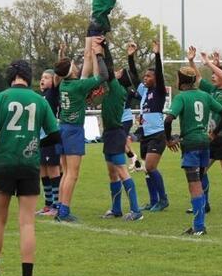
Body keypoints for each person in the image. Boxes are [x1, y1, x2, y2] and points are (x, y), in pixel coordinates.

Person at [0, 59, 61, 276]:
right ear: (28, 77)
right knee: (27, 222)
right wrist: (35, 143)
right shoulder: (39, 101)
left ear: (10, 77)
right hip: (30, 164)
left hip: (4, 162)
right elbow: (55, 136)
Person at [163, 66, 222, 237]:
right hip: (204, 144)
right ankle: (199, 225)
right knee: (199, 182)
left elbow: (168, 119)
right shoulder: (205, 95)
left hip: (191, 145)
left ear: (182, 80)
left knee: (194, 186)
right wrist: (213, 133)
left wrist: (169, 140)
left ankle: (199, 226)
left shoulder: (182, 97)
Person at [54, 37, 106, 222]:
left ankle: (60, 208)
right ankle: (64, 212)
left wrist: (90, 51)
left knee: (66, 172)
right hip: (74, 131)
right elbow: (101, 77)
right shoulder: (78, 85)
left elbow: (74, 69)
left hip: (63, 129)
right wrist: (98, 54)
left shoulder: (65, 84)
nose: (77, 66)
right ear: (70, 71)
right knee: (72, 174)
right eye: (74, 65)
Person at [189, 49, 222, 216]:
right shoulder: (212, 90)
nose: (212, 75)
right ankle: (205, 204)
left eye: (215, 74)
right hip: (210, 138)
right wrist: (191, 62)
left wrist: (210, 64)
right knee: (201, 170)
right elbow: (197, 79)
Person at [97, 50, 143, 221]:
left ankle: (136, 211)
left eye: (119, 72)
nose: (116, 71)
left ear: (121, 78)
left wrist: (101, 53)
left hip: (115, 134)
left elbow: (107, 69)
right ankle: (116, 209)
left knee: (123, 172)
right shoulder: (116, 88)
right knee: (112, 173)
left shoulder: (117, 88)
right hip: (109, 134)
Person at [66, 0, 118, 72]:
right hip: (93, 20)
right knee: (87, 53)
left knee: (95, 52)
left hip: (100, 20)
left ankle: (96, 79)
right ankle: (84, 80)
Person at [136, 41, 169, 211]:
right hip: (145, 135)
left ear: (155, 79)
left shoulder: (159, 91)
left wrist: (157, 54)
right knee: (146, 170)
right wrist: (129, 57)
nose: (145, 78)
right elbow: (134, 78)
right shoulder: (145, 92)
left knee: (150, 166)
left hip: (157, 134)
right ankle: (153, 201)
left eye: (148, 76)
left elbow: (160, 75)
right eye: (145, 77)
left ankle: (163, 200)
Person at [36, 68, 62, 217]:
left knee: (53, 169)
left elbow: (58, 77)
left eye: (46, 77)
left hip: (50, 136)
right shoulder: (43, 96)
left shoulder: (53, 93)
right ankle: (48, 204)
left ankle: (57, 205)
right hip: (41, 137)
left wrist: (60, 59)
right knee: (42, 169)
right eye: (42, 77)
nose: (43, 80)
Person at [120, 43, 144, 172]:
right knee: (126, 142)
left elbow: (141, 97)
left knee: (121, 142)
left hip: (126, 119)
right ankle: (136, 162)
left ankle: (133, 157)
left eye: (119, 72)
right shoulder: (115, 89)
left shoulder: (128, 91)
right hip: (120, 119)